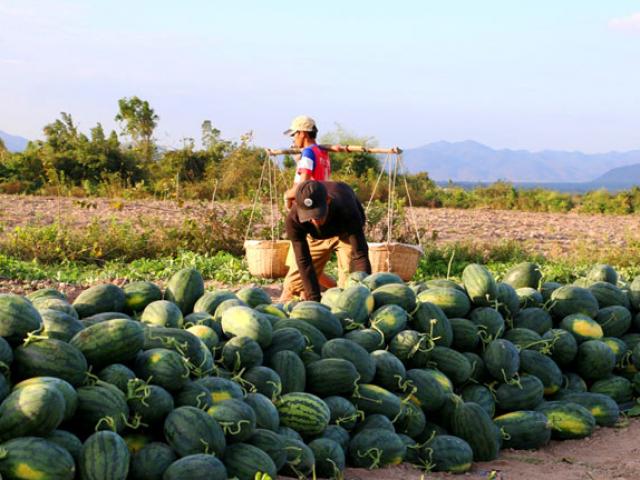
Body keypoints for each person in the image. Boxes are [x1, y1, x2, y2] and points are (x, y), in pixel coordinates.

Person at [281, 180, 371, 302]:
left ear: (328, 200)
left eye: (319, 215)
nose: (315, 221)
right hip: (315, 237)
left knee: (350, 283)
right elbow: (304, 261)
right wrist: (315, 301)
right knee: (294, 285)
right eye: (310, 216)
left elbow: (360, 254)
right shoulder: (294, 220)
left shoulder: (347, 208)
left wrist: (363, 295)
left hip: (345, 233)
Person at [281, 115, 335, 298]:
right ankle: (333, 290)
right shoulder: (322, 153)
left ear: (303, 133)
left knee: (294, 279)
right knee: (301, 266)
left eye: (294, 134)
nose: (293, 138)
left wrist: (287, 195)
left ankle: (334, 292)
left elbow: (303, 185)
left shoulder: (309, 153)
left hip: (309, 214)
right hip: (319, 211)